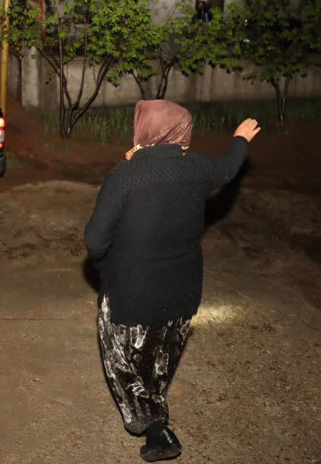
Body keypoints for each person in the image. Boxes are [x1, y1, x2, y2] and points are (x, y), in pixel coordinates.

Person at [83, 100, 260, 462]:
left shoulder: (125, 176)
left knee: (123, 364)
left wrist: (108, 269)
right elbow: (228, 168)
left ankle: (156, 428)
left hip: (131, 292)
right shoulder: (197, 169)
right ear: (182, 131)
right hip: (183, 290)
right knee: (160, 358)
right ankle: (156, 413)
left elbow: (95, 240)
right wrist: (240, 139)